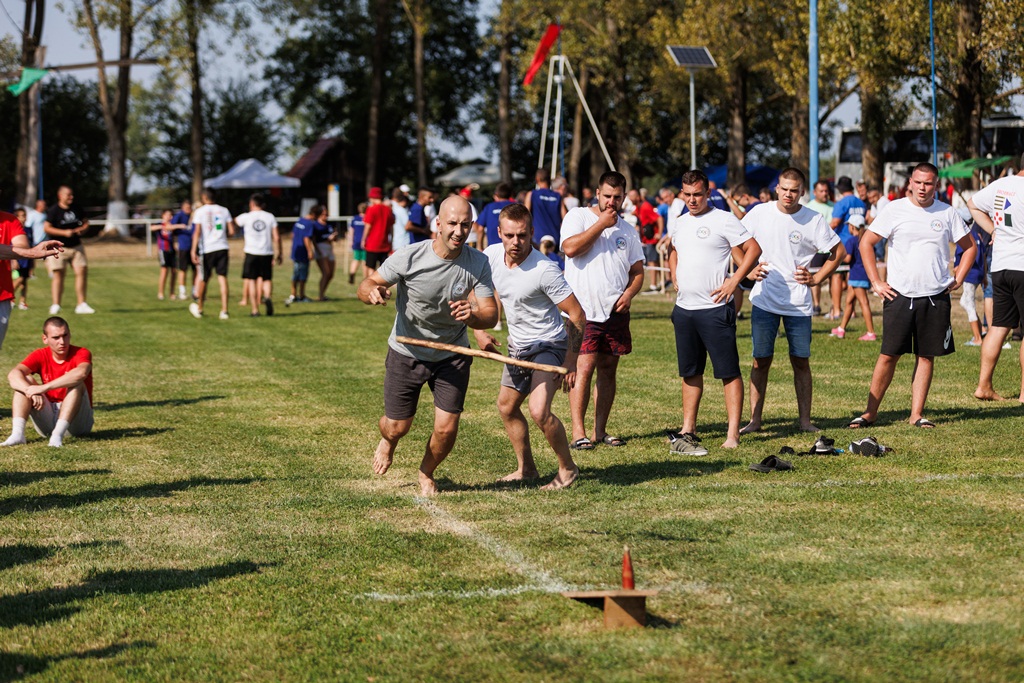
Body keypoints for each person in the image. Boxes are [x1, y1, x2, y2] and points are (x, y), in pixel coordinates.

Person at [357, 196, 498, 496]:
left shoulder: (478, 262)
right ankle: (388, 441)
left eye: (465, 225)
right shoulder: (409, 256)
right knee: (397, 426)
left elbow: (490, 315)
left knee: (446, 428)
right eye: (452, 223)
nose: (458, 231)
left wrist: (473, 316)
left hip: (452, 353)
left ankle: (426, 472)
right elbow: (367, 284)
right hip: (407, 351)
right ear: (438, 224)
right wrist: (372, 292)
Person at [850, 162, 974, 428]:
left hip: (935, 296)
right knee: (888, 355)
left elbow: (970, 246)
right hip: (899, 295)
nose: (922, 188)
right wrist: (876, 282)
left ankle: (916, 414)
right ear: (910, 183)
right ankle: (870, 412)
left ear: (937, 185)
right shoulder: (894, 209)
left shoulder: (947, 212)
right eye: (918, 182)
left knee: (926, 355)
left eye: (928, 183)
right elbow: (866, 243)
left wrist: (959, 276)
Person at [474, 203, 585, 489]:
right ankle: (527, 469)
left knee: (539, 411)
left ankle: (568, 469)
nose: (516, 242)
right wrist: (479, 331)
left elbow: (577, 314)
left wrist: (570, 361)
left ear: (532, 232)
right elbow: (476, 291)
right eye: (509, 235)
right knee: (507, 407)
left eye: (522, 235)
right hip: (518, 347)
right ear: (499, 232)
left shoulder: (545, 270)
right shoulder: (491, 256)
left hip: (549, 344)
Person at [740, 167, 845, 434]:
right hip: (764, 299)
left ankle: (805, 422)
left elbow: (838, 251)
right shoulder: (759, 213)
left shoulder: (813, 219)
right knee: (760, 361)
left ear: (802, 192)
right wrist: (747, 270)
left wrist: (817, 278)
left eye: (794, 190)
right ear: (777, 188)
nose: (789, 194)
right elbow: (735, 242)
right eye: (784, 189)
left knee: (800, 361)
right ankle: (754, 421)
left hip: (798, 304)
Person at [664, 170, 762, 454]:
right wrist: (673, 273)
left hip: (715, 309)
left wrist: (734, 280)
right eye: (687, 194)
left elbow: (753, 249)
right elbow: (673, 250)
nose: (692, 200)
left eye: (697, 194)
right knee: (690, 372)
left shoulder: (724, 219)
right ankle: (688, 428)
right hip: (685, 309)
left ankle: (732, 433)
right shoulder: (681, 222)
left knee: (728, 372)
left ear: (708, 193)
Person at [559, 171, 644, 449]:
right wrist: (601, 224)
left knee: (608, 369)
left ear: (624, 197)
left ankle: (599, 430)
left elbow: (637, 271)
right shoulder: (578, 217)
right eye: (607, 196)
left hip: (615, 312)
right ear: (597, 193)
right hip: (582, 312)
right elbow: (570, 249)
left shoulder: (628, 230)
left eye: (617, 197)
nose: (611, 202)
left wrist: (629, 294)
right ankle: (578, 433)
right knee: (582, 369)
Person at [969, 156, 1024, 401]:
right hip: (1022, 264)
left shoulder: (1001, 184)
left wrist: (994, 230)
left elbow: (972, 205)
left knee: (998, 326)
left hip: (1001, 266)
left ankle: (984, 386)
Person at [2, 316, 92, 448]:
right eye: (56, 338)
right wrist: (30, 391)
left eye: (65, 336)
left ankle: (57, 436)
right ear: (45, 339)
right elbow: (13, 374)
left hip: (77, 425)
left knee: (77, 383)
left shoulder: (81, 352)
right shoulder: (40, 354)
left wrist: (43, 388)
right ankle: (17, 434)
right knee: (26, 380)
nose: (62, 342)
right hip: (48, 420)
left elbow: (81, 373)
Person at [0, 209, 63, 348]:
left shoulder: (10, 220)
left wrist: (29, 252)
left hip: (2, 295)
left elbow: (22, 245)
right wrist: (30, 253)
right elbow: (24, 251)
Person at [44, 186, 95, 315]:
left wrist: (82, 229)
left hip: (76, 246)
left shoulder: (77, 208)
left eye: (72, 195)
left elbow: (86, 222)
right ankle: (56, 304)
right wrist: (64, 233)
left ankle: (81, 304)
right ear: (60, 196)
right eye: (68, 195)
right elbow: (47, 228)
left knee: (81, 272)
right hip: (59, 247)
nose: (71, 197)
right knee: (58, 275)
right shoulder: (53, 210)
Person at [188, 189, 236, 320]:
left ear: (204, 197)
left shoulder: (200, 211)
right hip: (222, 247)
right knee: (222, 278)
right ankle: (224, 310)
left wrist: (193, 250)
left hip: (207, 249)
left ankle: (200, 308)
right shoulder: (224, 210)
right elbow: (232, 231)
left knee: (204, 279)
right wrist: (221, 236)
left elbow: (197, 232)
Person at [829, 215, 876, 341]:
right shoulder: (866, 240)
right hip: (863, 274)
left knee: (863, 302)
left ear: (853, 227)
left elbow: (848, 258)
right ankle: (841, 329)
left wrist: (837, 255)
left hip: (856, 275)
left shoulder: (851, 241)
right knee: (849, 302)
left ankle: (871, 332)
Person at [235, 193, 281, 317]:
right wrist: (279, 253)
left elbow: (235, 222)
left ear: (251, 204)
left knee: (252, 280)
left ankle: (255, 310)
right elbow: (277, 237)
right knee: (266, 279)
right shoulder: (270, 217)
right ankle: (267, 296)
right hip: (267, 252)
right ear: (263, 205)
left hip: (251, 252)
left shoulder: (246, 217)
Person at [828, 177, 867, 319]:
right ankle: (852, 310)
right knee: (852, 277)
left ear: (840, 189)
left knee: (837, 276)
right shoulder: (861, 203)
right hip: (859, 243)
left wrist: (821, 234)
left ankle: (837, 310)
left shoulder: (841, 203)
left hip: (842, 244)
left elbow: (835, 222)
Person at [954, 220, 987, 347]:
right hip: (979, 273)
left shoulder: (963, 237)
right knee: (964, 301)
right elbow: (983, 256)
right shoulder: (977, 236)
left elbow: (960, 259)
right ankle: (982, 330)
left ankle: (977, 338)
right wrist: (984, 276)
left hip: (969, 274)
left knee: (969, 304)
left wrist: (957, 272)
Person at [805, 179, 835, 316]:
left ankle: (834, 306)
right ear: (814, 192)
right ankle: (816, 305)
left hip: (832, 248)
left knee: (834, 278)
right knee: (814, 277)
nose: (824, 193)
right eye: (821, 191)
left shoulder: (834, 206)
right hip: (815, 249)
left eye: (826, 191)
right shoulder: (808, 207)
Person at [630, 189, 662, 291]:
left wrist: (659, 233)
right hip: (646, 239)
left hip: (652, 239)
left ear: (638, 197)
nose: (630, 199)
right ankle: (661, 282)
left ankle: (653, 285)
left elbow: (659, 218)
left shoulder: (645, 206)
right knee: (654, 261)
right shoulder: (639, 207)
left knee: (652, 261)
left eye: (632, 196)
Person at [525, 168, 566, 245]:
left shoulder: (532, 194)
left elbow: (525, 216)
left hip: (537, 239)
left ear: (537, 179)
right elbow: (565, 218)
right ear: (549, 179)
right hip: (555, 239)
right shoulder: (558, 196)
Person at [287, 206, 318, 305]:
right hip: (303, 252)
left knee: (296, 273)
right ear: (315, 215)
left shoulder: (300, 220)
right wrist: (310, 251)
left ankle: (293, 294)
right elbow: (306, 238)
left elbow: (292, 234)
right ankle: (301, 295)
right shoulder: (309, 223)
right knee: (302, 274)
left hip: (296, 250)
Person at [362, 187, 394, 274]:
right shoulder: (388, 209)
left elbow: (368, 226)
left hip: (372, 244)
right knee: (383, 269)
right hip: (384, 244)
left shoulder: (371, 209)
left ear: (373, 197)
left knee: (371, 267)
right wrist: (391, 241)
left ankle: (372, 282)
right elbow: (391, 227)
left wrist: (363, 239)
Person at [475, 182, 515, 249]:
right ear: (510, 194)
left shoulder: (489, 207)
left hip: (493, 247)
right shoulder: (516, 206)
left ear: (496, 195)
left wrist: (480, 247)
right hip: (512, 246)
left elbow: (480, 228)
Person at [170, 199, 195, 301]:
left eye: (190, 207)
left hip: (194, 247)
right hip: (184, 247)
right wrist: (179, 226)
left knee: (195, 270)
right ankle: (182, 292)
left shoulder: (194, 216)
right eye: (186, 208)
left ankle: (194, 291)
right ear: (183, 208)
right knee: (183, 269)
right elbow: (169, 226)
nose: (188, 209)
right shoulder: (179, 216)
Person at [151, 209, 176, 300]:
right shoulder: (159, 224)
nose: (170, 217)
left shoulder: (172, 225)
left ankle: (172, 293)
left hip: (172, 250)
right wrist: (162, 226)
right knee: (164, 271)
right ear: (163, 215)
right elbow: (151, 228)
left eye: (171, 215)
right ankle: (160, 293)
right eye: (168, 215)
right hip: (163, 250)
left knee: (174, 272)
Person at [313, 208, 337, 300]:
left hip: (329, 248)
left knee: (330, 274)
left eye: (326, 214)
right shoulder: (315, 225)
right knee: (326, 273)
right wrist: (317, 250)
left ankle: (323, 294)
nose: (325, 216)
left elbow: (334, 239)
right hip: (321, 248)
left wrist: (334, 237)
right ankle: (320, 295)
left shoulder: (329, 224)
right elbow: (314, 239)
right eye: (323, 214)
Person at [12, 208, 31, 310]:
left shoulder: (28, 229)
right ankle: (9, 298)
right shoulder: (13, 230)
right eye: (22, 216)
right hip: (18, 259)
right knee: (20, 279)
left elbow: (31, 244)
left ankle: (22, 302)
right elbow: (10, 246)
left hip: (27, 259)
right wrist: (13, 260)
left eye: (25, 215)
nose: (24, 218)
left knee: (24, 281)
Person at [348, 202, 367, 285]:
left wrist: (351, 240)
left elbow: (351, 230)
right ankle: (365, 278)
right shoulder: (368, 218)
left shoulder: (355, 218)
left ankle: (352, 274)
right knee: (365, 261)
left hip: (356, 241)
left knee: (356, 259)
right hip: (365, 242)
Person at [390, 188, 411, 253]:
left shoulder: (392, 208)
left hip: (395, 242)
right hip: (403, 242)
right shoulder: (401, 210)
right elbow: (408, 226)